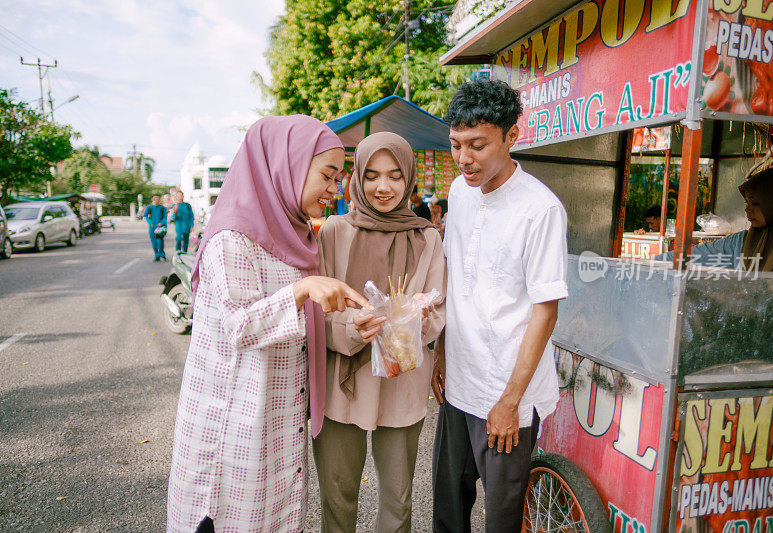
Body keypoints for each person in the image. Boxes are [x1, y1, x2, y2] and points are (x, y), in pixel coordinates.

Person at [166, 115, 369, 533]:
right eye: (327, 176)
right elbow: (241, 325)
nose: (335, 190)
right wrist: (304, 290)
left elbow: (300, 325)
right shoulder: (232, 239)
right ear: (286, 164)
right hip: (233, 424)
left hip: (277, 417)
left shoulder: (295, 235)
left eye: (338, 178)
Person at [431, 80, 568, 533]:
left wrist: (509, 403)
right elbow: (456, 279)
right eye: (456, 145)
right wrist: (442, 353)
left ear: (512, 137)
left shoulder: (540, 209)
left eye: (478, 145)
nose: (464, 158)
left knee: (502, 520)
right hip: (458, 384)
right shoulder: (460, 191)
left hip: (507, 393)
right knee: (448, 510)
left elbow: (545, 311)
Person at [313, 132, 446, 532]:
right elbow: (314, 311)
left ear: (408, 181)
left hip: (402, 381)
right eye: (371, 176)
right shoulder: (333, 232)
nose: (383, 187)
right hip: (341, 384)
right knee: (337, 499)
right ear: (357, 178)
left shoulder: (427, 237)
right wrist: (351, 327)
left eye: (394, 176)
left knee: (398, 502)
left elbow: (437, 309)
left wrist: (410, 320)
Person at [656, 167, 773, 271]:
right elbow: (694, 256)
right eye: (747, 202)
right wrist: (648, 264)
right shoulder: (742, 242)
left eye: (756, 203)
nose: (747, 209)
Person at [144, 195, 168, 261]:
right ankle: (156, 255)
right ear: (152, 199)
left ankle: (162, 254)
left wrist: (162, 223)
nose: (156, 200)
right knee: (154, 242)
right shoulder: (150, 207)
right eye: (155, 199)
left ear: (159, 200)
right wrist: (150, 222)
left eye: (157, 199)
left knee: (160, 241)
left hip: (160, 227)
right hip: (152, 227)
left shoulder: (162, 208)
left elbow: (165, 217)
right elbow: (146, 216)